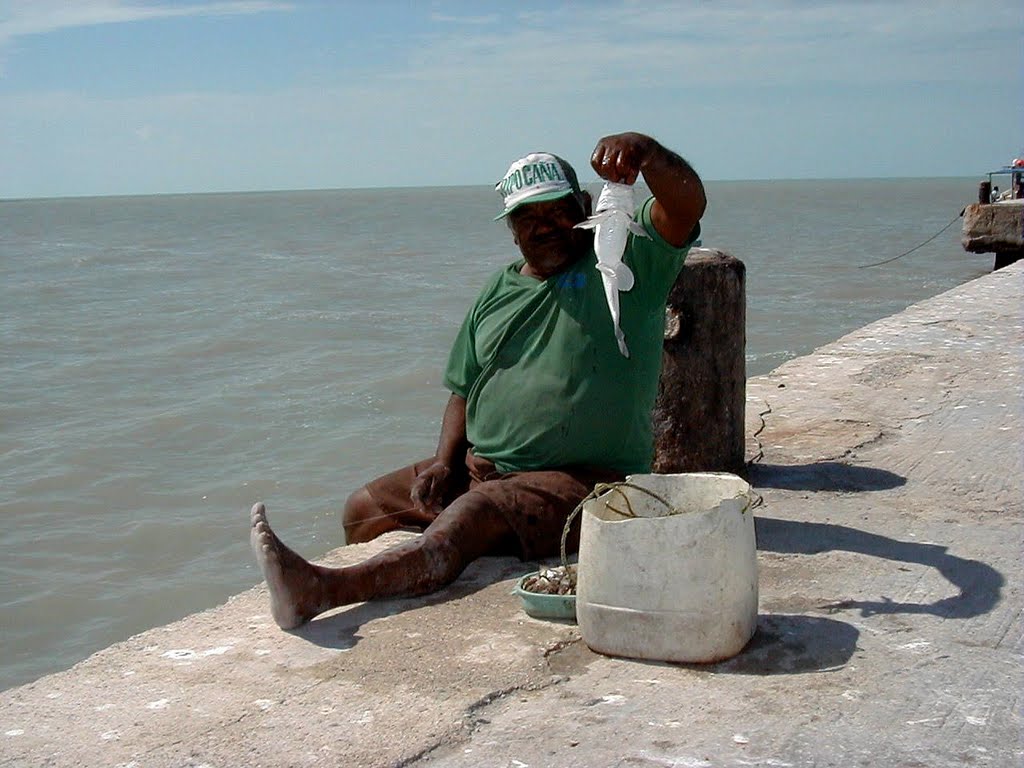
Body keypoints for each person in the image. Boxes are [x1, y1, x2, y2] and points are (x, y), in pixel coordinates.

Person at [250, 132, 706, 629]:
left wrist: (648, 152)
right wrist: (445, 463)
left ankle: (323, 590)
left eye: (556, 210)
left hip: (585, 481)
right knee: (365, 509)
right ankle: (393, 578)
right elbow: (463, 388)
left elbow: (684, 207)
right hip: (482, 467)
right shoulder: (498, 288)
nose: (545, 226)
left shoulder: (625, 263)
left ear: (584, 206)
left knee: (470, 520)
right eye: (527, 218)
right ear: (510, 229)